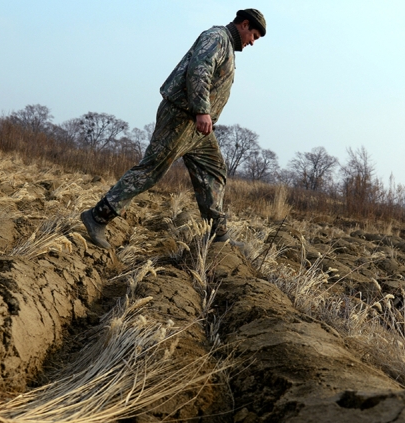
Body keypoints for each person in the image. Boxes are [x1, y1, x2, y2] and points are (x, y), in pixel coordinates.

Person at [81, 8, 267, 249]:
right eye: (253, 36)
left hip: (198, 129)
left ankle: (217, 236)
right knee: (151, 170)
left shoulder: (227, 46)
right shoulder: (217, 38)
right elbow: (199, 70)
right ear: (244, 25)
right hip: (181, 117)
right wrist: (202, 110)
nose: (252, 43)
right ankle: (97, 217)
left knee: (213, 170)